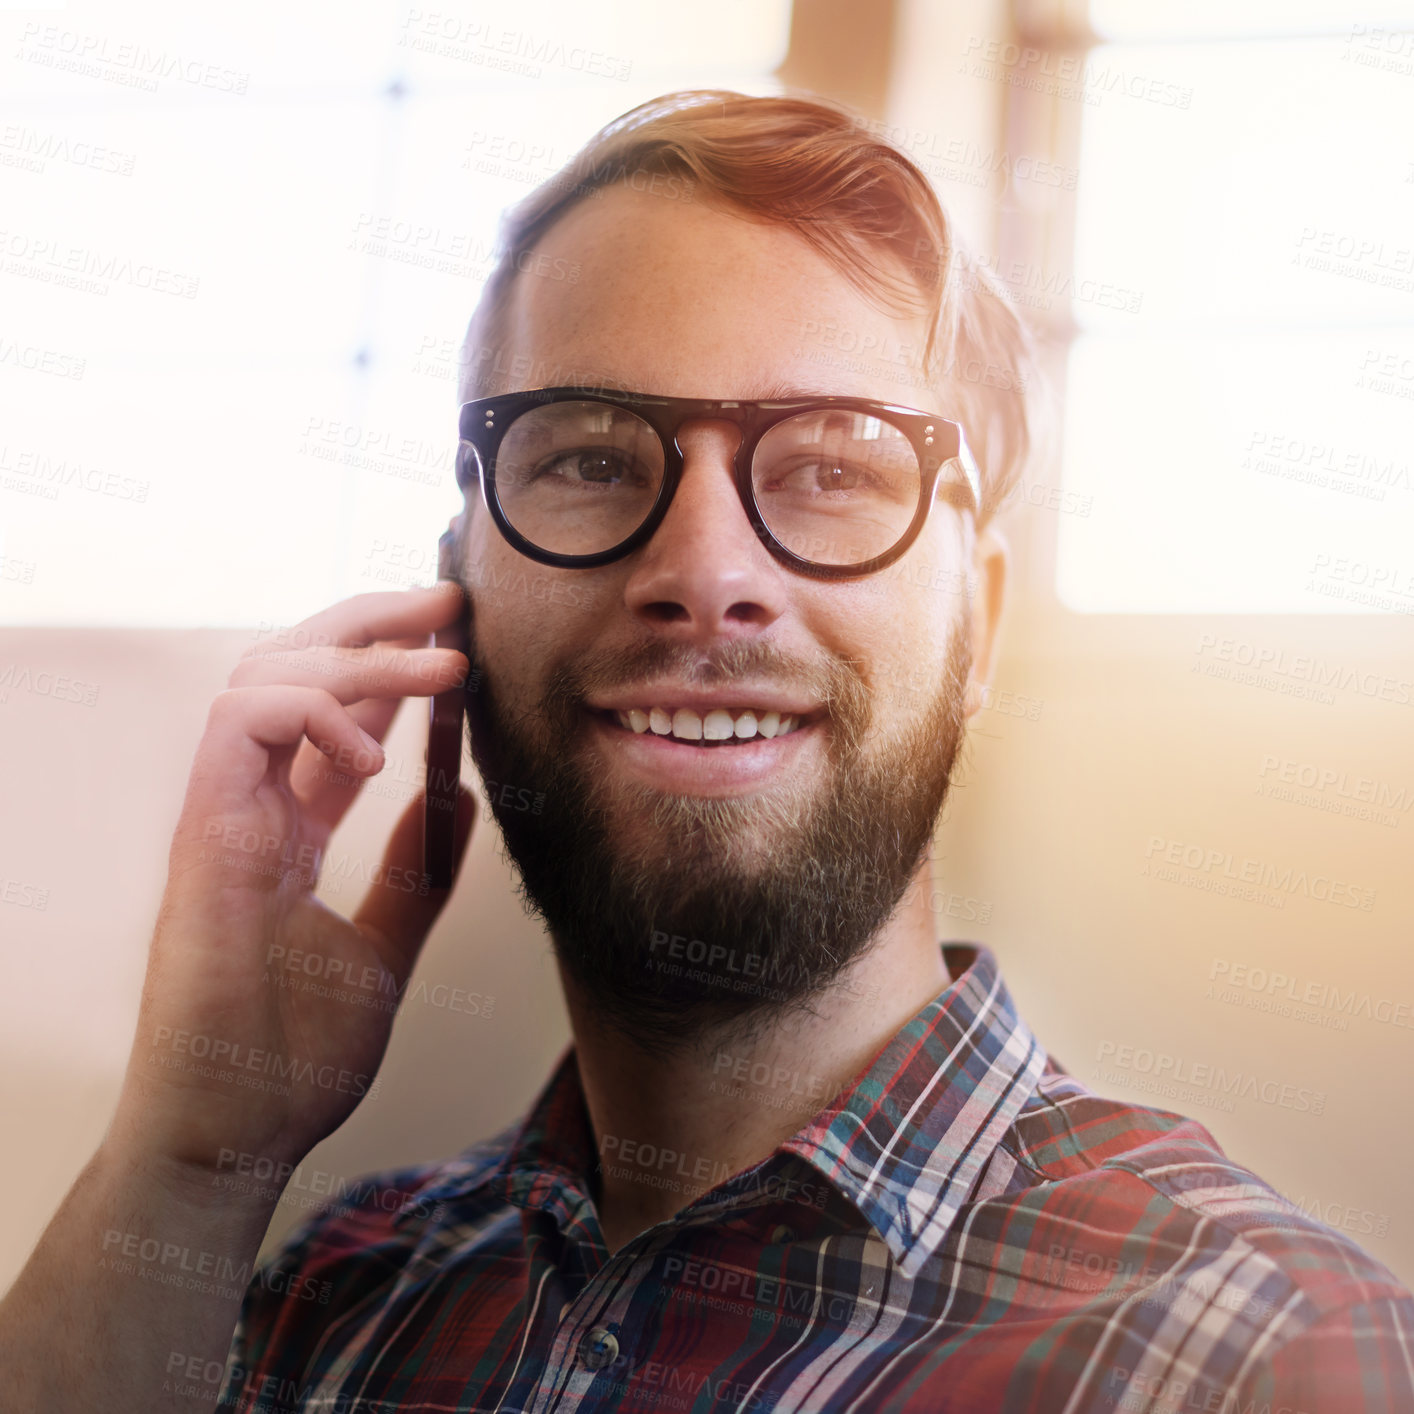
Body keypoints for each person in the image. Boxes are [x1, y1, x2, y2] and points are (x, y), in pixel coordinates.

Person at [2, 89, 1410, 1414]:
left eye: (834, 463)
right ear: (456, 593)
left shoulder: (1261, 1353)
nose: (706, 573)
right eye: (592, 456)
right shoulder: (326, 1301)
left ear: (974, 626)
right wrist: (191, 1160)